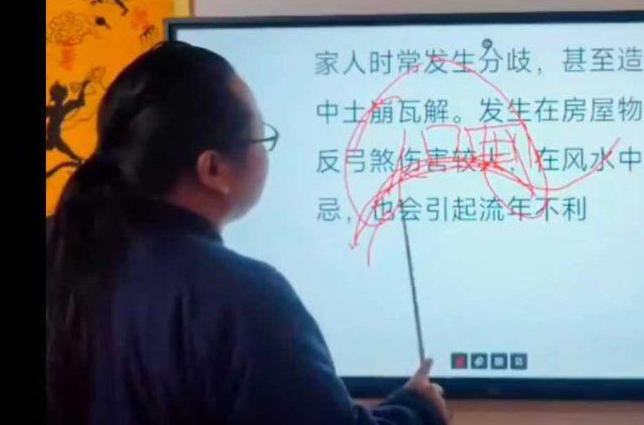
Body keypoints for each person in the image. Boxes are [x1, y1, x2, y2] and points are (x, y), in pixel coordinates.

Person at [45, 41, 451, 425]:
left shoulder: (64, 248)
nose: (265, 151)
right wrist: (417, 409)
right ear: (213, 169)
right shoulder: (241, 296)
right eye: (261, 136)